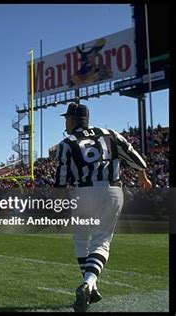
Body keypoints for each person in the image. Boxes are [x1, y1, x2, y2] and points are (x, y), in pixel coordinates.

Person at [54, 102, 152, 312]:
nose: (65, 122)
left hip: (82, 193)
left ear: (72, 120)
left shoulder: (66, 143)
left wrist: (59, 209)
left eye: (66, 119)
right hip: (111, 191)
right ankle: (91, 285)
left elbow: (61, 183)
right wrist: (142, 174)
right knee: (101, 241)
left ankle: (89, 284)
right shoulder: (110, 133)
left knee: (81, 240)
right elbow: (133, 154)